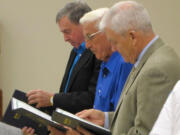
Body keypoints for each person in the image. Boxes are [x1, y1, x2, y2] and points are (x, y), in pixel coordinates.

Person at [48, 1, 180, 135]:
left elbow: (144, 132)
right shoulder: (149, 59)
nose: (113, 48)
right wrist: (105, 119)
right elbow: (133, 118)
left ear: (132, 36)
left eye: (115, 42)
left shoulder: (156, 69)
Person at [22, 1, 100, 135]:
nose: (65, 38)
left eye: (67, 32)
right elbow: (67, 92)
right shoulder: (75, 51)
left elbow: (92, 98)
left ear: (83, 25)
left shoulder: (97, 52)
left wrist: (53, 99)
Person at [79, 8, 132, 111]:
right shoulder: (104, 62)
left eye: (90, 37)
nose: (87, 45)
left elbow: (120, 117)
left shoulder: (124, 63)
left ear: (108, 33)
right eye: (85, 39)